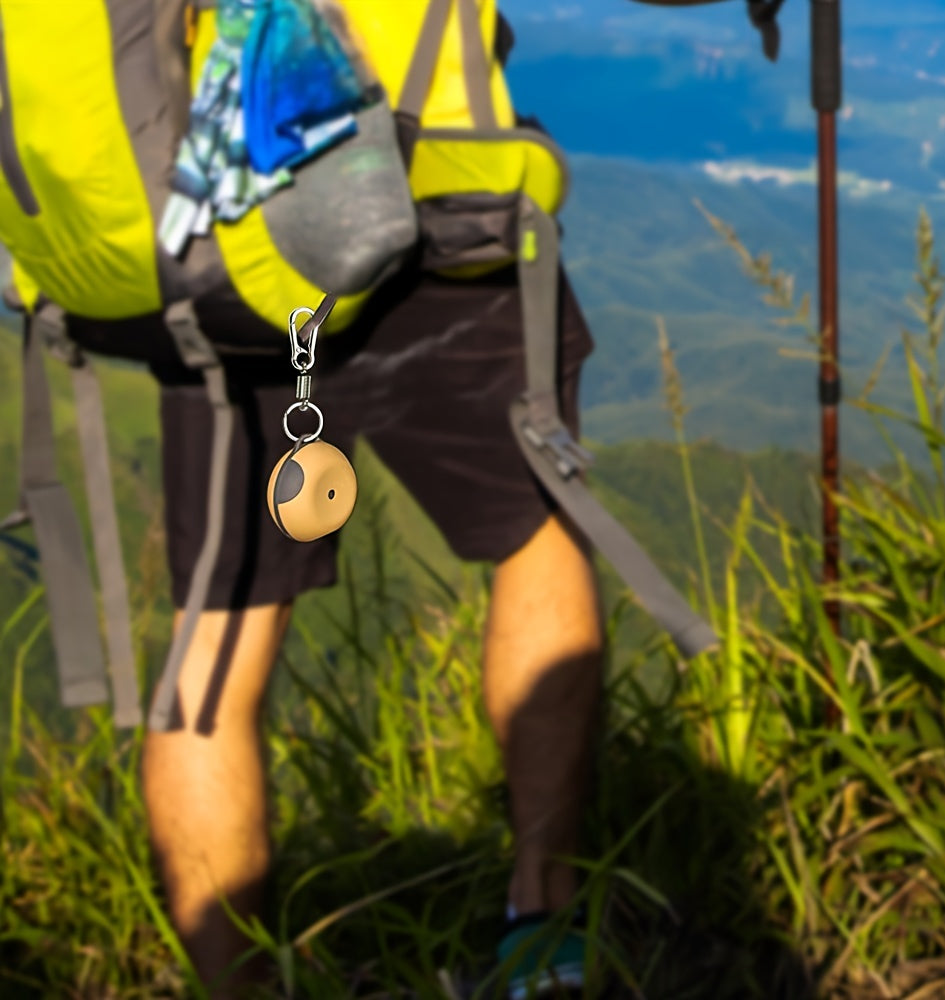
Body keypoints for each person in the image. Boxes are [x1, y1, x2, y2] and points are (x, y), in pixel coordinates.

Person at [127, 258, 606, 996]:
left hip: (228, 272)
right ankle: (544, 928)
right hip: (434, 239)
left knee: (221, 628)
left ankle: (231, 984)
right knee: (537, 537)